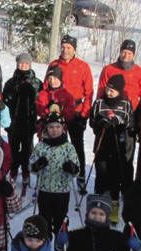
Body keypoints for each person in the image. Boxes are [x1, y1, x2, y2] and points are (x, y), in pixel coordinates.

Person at [98, 39, 141, 190]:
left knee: (126, 156)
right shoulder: (109, 69)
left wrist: (139, 122)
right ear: (120, 52)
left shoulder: (140, 73)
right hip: (110, 115)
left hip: (130, 119)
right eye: (124, 52)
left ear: (133, 55)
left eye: (129, 53)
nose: (126, 55)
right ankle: (106, 187)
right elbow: (101, 92)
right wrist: (102, 115)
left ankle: (126, 188)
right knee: (107, 155)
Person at [48, 35, 95, 189]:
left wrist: (84, 114)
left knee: (76, 145)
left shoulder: (83, 66)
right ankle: (57, 171)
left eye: (69, 47)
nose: (65, 49)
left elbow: (89, 93)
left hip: (75, 112)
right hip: (57, 112)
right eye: (63, 46)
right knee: (57, 144)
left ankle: (80, 174)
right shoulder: (54, 64)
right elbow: (46, 87)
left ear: (74, 49)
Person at [90, 75, 132, 221]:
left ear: (119, 91)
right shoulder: (99, 102)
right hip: (101, 144)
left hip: (117, 145)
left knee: (115, 178)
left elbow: (129, 121)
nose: (109, 92)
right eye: (108, 89)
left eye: (113, 90)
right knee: (101, 176)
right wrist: (100, 123)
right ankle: (96, 208)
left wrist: (117, 121)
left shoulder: (125, 103)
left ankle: (114, 208)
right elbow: (92, 120)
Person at [30, 112, 79, 235]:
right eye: (51, 127)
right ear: (46, 129)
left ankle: (60, 242)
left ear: (63, 129)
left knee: (60, 218)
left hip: (62, 191)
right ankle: (44, 242)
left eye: (57, 127)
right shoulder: (41, 146)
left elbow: (77, 169)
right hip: (44, 190)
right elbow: (31, 166)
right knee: (43, 219)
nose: (54, 130)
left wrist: (72, 168)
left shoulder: (68, 147)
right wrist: (36, 165)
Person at [1, 52, 42, 187]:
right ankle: (13, 170)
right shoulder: (11, 82)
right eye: (21, 63)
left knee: (27, 149)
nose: (23, 65)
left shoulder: (36, 83)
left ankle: (25, 171)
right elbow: (5, 101)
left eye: (26, 63)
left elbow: (42, 100)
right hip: (13, 121)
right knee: (13, 148)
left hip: (29, 122)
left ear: (30, 65)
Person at [35, 66, 77, 135]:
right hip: (45, 129)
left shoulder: (67, 95)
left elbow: (71, 112)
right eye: (50, 78)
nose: (52, 81)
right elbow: (39, 109)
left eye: (55, 78)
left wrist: (61, 111)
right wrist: (48, 110)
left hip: (61, 129)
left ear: (60, 79)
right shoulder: (43, 94)